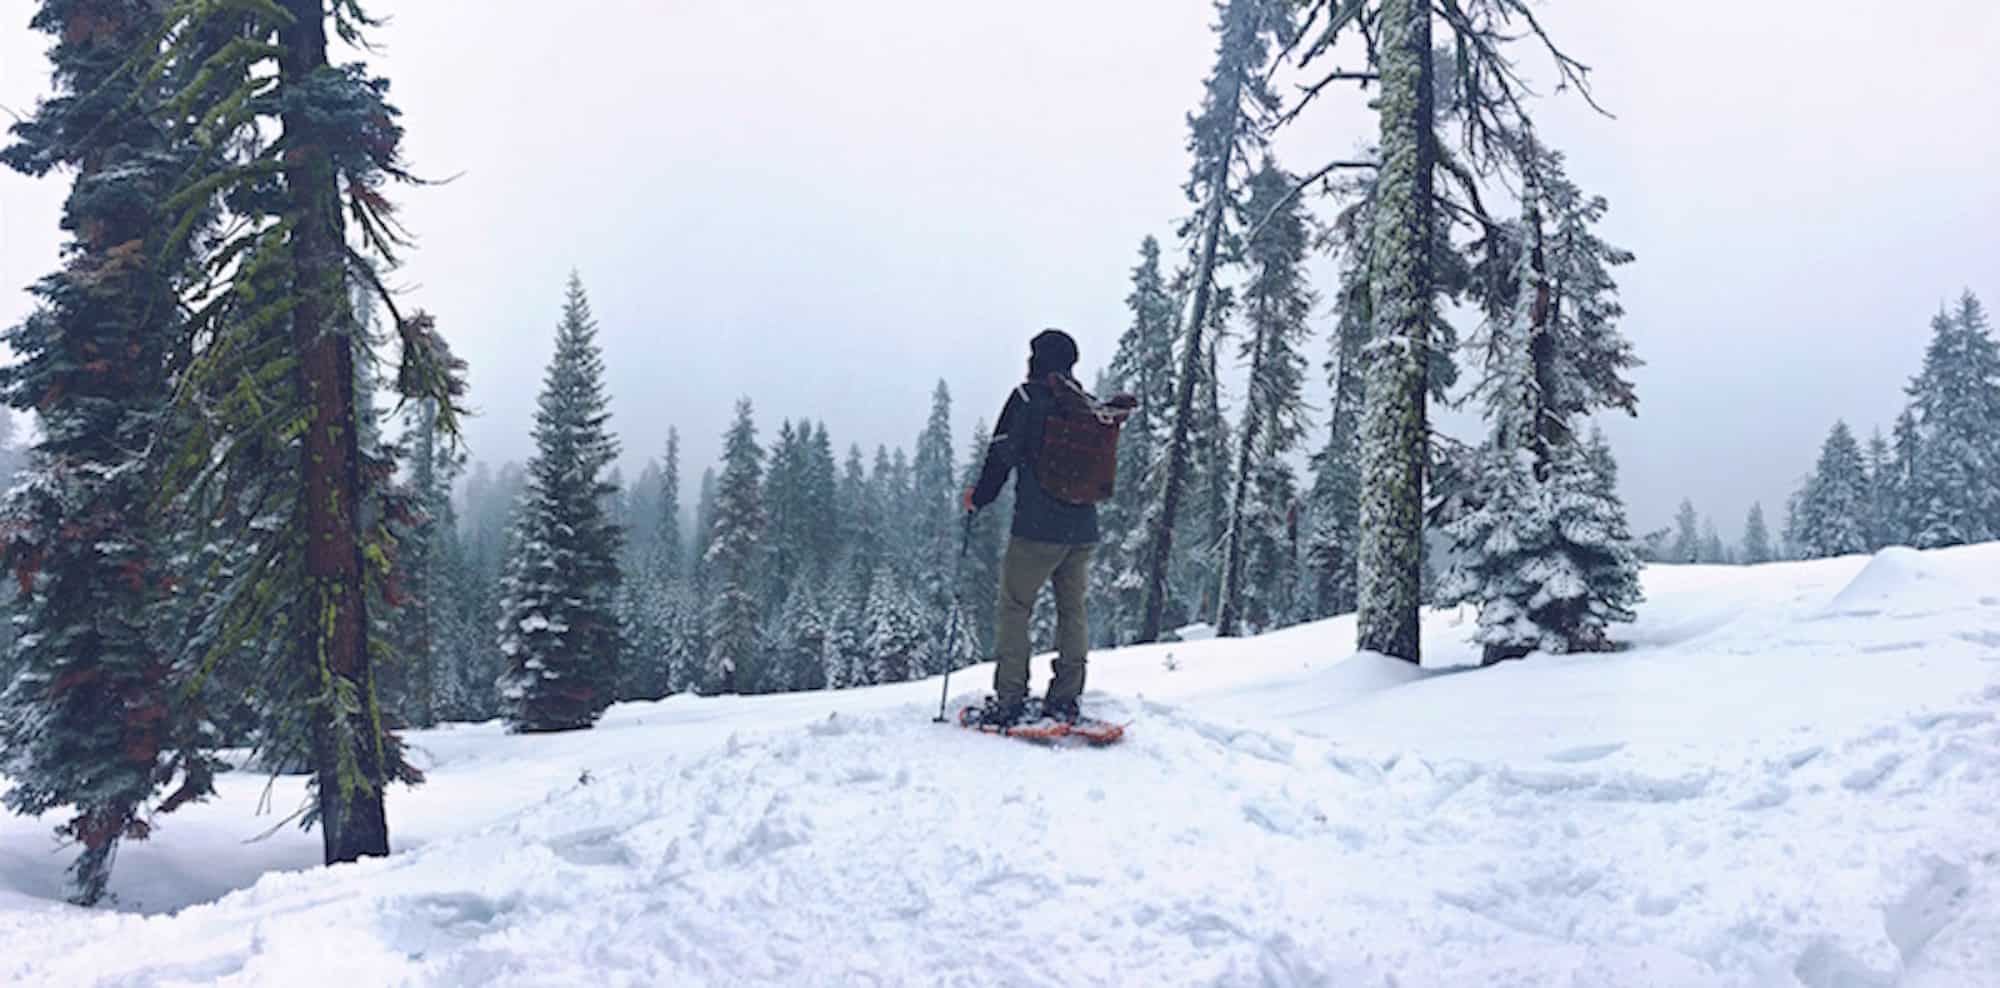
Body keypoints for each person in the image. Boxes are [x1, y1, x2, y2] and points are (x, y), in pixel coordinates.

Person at [963, 329, 1098, 727]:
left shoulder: (1026, 400)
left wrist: (979, 498)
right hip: (1084, 529)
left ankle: (1010, 697)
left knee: (1015, 608)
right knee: (1073, 611)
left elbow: (1000, 457)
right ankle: (1066, 698)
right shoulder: (1084, 405)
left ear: (1035, 359)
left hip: (1036, 530)